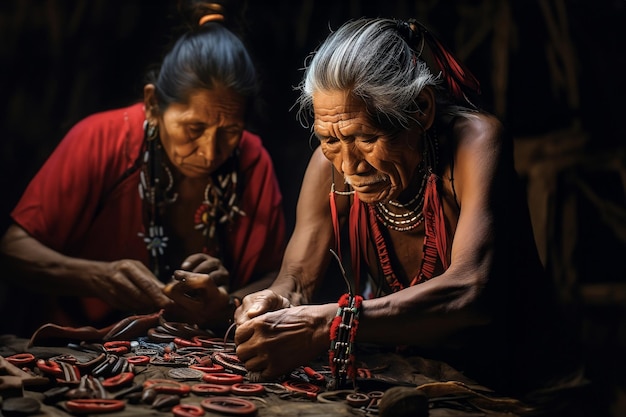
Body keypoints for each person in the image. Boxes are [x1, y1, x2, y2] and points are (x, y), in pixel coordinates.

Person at [234, 17, 585, 413]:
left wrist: (328, 323)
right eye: (330, 139)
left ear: (421, 111)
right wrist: (271, 304)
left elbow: (469, 289)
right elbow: (296, 280)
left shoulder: (476, 143)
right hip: (416, 374)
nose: (349, 165)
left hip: (520, 383)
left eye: (367, 137)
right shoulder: (328, 165)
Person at [0, 0, 286, 334]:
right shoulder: (101, 139)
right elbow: (13, 250)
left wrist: (228, 303)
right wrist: (97, 277)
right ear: (152, 105)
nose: (210, 152)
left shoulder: (252, 162)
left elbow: (277, 278)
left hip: (201, 355)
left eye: (230, 132)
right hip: (85, 346)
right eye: (194, 129)